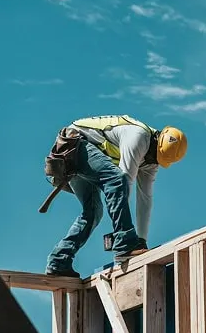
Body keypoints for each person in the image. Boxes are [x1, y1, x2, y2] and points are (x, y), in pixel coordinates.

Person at [44, 114, 187, 278]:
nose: (151, 161)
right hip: (73, 145)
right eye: (153, 156)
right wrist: (126, 242)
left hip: (80, 155)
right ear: (156, 140)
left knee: (93, 212)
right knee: (116, 179)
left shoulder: (151, 161)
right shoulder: (138, 137)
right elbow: (124, 181)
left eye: (156, 159)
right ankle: (125, 242)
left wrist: (142, 241)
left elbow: (145, 200)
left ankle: (59, 261)